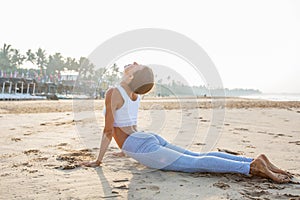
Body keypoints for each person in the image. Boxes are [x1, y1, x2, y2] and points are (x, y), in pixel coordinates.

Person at [81, 62, 292, 183]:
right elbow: (130, 126)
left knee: (194, 163)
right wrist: (125, 148)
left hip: (140, 144)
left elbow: (109, 130)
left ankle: (251, 167)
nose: (133, 63)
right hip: (145, 139)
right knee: (197, 156)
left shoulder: (113, 92)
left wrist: (99, 160)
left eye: (137, 66)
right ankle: (251, 160)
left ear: (131, 76)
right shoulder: (134, 94)